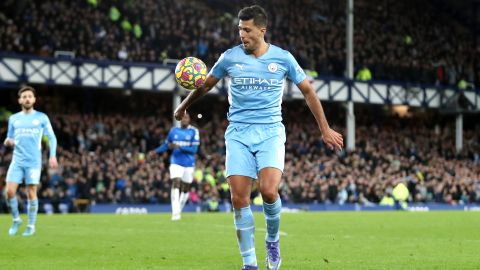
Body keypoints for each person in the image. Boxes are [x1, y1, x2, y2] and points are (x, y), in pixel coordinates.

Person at [173, 5, 343, 270]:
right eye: (240, 29)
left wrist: (324, 129)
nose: (242, 34)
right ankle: (249, 263)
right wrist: (184, 106)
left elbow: (309, 91)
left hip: (270, 133)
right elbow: (205, 84)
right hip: (239, 133)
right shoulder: (229, 58)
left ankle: (272, 242)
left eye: (247, 30)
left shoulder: (283, 58)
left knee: (268, 190)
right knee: (239, 199)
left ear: (262, 30)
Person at [4, 86, 58, 236]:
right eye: (24, 96)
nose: (27, 98)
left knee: (31, 192)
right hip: (17, 161)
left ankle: (31, 225)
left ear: (34, 99)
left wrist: (53, 155)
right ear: (19, 100)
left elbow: (52, 137)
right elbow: (9, 138)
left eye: (30, 96)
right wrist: (8, 142)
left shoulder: (41, 117)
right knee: (9, 192)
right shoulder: (14, 118)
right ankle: (16, 220)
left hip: (33, 161)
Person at [148, 112, 200, 221]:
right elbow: (166, 145)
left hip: (189, 164)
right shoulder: (173, 131)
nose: (185, 119)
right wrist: (156, 151)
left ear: (189, 119)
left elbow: (194, 150)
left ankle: (178, 209)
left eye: (187, 117)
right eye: (183, 117)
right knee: (176, 182)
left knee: (185, 189)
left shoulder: (194, 131)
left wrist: (179, 147)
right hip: (176, 162)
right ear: (180, 119)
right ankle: (175, 212)